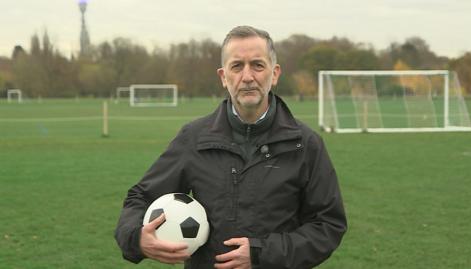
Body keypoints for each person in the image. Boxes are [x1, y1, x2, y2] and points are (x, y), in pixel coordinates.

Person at [115, 25, 347, 269]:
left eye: (258, 65)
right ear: (224, 77)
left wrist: (261, 254)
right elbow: (141, 196)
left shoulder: (306, 144)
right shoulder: (193, 138)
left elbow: (328, 225)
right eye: (237, 66)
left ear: (275, 73)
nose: (247, 77)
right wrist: (136, 237)